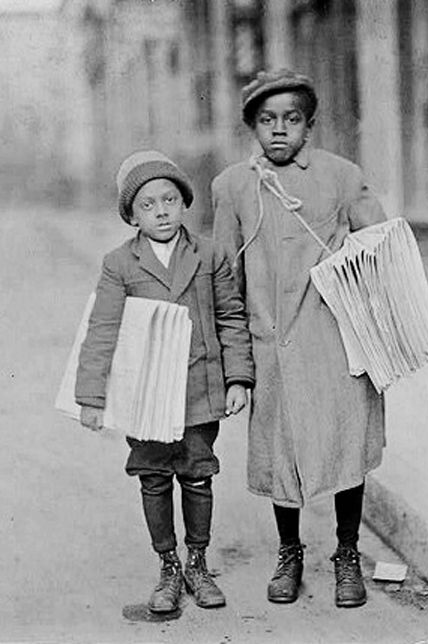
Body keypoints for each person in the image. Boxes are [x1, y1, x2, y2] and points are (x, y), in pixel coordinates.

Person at [212, 69, 386, 608]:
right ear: (252, 128)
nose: (279, 131)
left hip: (337, 344)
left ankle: (348, 552)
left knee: (344, 449)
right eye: (267, 121)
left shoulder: (341, 175)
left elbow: (380, 248)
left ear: (309, 127)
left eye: (292, 120)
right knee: (280, 453)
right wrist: (236, 362)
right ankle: (290, 553)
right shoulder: (233, 186)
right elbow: (225, 277)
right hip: (272, 349)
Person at [75, 150, 254, 613]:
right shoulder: (120, 264)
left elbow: (231, 316)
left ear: (184, 203)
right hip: (146, 395)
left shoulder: (209, 253)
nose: (161, 212)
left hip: (198, 389)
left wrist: (238, 379)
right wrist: (91, 398)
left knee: (197, 475)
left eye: (169, 200)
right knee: (154, 477)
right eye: (148, 204)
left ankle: (197, 561)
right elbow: (102, 330)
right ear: (131, 214)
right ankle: (169, 566)